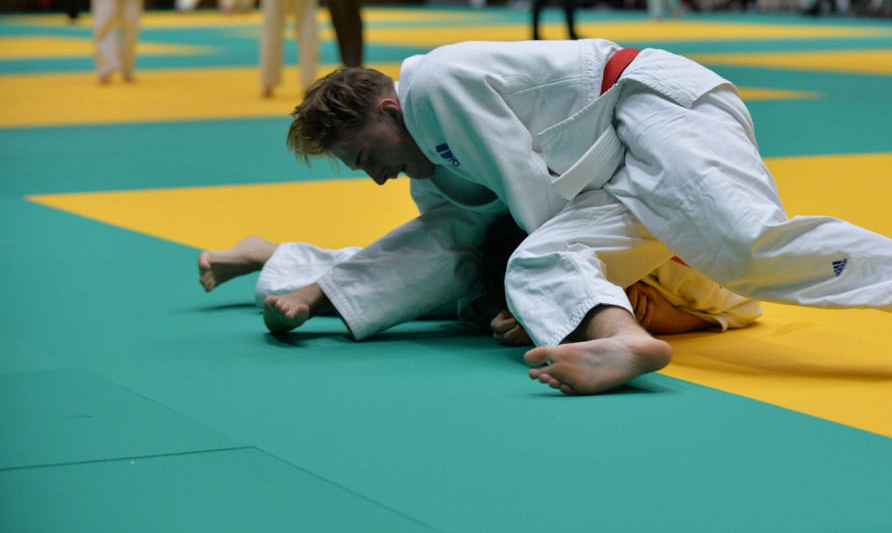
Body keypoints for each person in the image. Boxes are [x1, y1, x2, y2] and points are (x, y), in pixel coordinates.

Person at [206, 41, 892, 396]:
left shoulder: (433, 82)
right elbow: (456, 237)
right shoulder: (434, 169)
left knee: (744, 246)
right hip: (609, 173)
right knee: (536, 263)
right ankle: (622, 339)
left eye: (365, 153)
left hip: (651, 107)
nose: (376, 175)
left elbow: (527, 190)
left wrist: (520, 303)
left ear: (389, 108)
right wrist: (321, 286)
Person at [198, 221, 763, 348]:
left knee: (436, 294)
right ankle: (275, 260)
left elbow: (738, 310)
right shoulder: (636, 237)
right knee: (429, 268)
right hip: (530, 229)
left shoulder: (709, 275)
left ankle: (273, 258)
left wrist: (651, 315)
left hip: (535, 252)